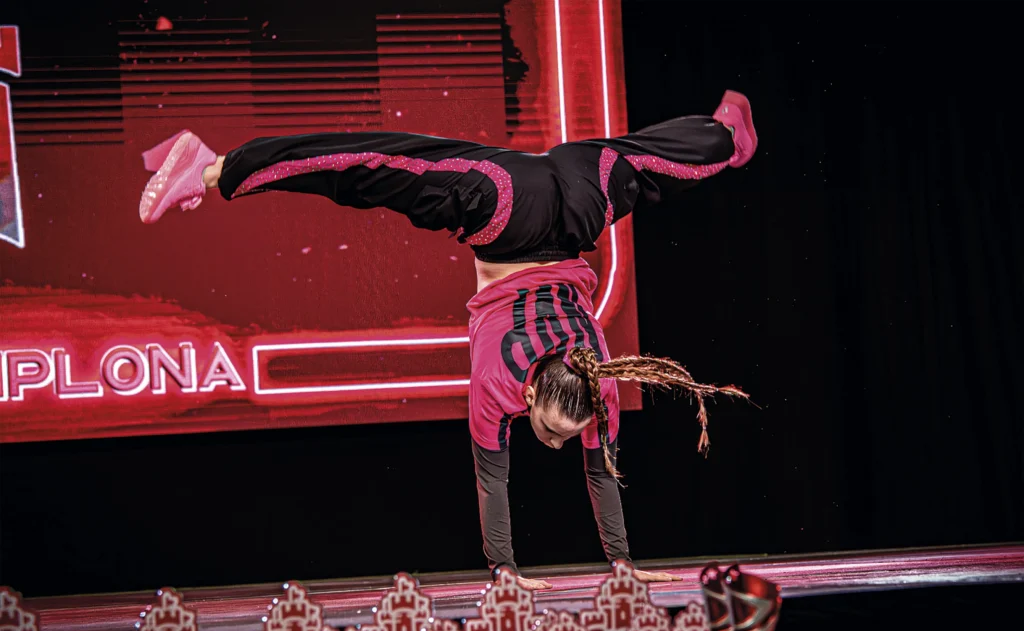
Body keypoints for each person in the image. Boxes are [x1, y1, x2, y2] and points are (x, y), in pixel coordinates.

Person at [138, 90, 756, 590]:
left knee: (650, 164)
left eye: (556, 437)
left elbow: (600, 475)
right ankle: (211, 166)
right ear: (533, 388)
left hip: (578, 200)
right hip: (504, 208)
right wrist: (506, 573)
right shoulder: (499, 382)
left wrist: (622, 568)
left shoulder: (598, 386)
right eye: (554, 431)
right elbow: (496, 481)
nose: (556, 443)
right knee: (369, 167)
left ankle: (727, 133)